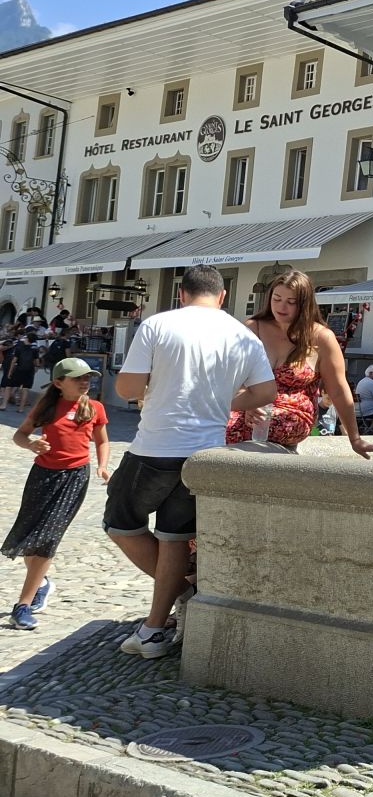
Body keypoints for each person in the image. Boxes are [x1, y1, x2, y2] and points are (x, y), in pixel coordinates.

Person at [107, 264, 277, 659]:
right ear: (221, 298)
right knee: (175, 537)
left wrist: (150, 389)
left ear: (181, 294)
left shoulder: (158, 325)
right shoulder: (241, 335)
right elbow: (266, 390)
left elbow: (128, 387)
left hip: (155, 446)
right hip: (206, 453)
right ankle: (153, 630)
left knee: (119, 523)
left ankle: (183, 594)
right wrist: (227, 403)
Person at [223, 270, 373, 456]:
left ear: (304, 305)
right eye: (276, 299)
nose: (281, 306)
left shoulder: (321, 337)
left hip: (292, 414)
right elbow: (232, 376)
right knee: (217, 424)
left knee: (269, 425)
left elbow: (338, 390)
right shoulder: (254, 327)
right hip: (252, 406)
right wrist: (249, 402)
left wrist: (354, 439)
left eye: (290, 302)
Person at [5, 359, 110, 630]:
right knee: (31, 539)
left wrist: (101, 465)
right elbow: (20, 435)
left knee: (47, 539)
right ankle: (40, 584)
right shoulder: (46, 406)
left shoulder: (94, 407)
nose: (85, 382)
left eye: (88, 377)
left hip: (74, 478)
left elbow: (102, 440)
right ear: (59, 383)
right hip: (42, 475)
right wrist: (31, 444)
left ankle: (23, 606)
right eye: (78, 378)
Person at [0, 330, 39, 411]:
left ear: (27, 338)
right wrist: (35, 369)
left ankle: (4, 405)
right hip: (29, 371)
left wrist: (10, 372)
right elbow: (36, 362)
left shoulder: (19, 348)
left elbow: (14, 361)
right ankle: (21, 408)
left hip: (18, 369)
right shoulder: (35, 349)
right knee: (25, 389)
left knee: (8, 386)